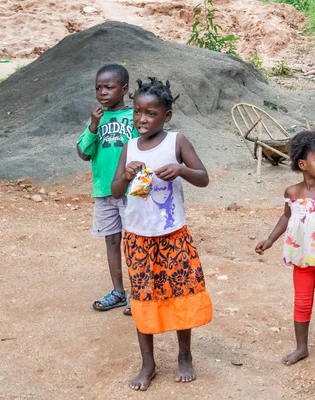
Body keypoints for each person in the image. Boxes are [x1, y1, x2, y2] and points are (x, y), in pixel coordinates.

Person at [112, 77, 212, 391]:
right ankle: (148, 363)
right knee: (143, 298)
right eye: (137, 112)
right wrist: (127, 176)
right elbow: (115, 191)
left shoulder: (176, 142)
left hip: (172, 234)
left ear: (166, 116)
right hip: (138, 237)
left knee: (181, 294)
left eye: (151, 113)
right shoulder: (128, 147)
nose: (142, 119)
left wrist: (181, 169)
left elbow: (204, 178)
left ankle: (184, 355)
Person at [255, 130, 315, 369]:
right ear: (303, 164)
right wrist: (270, 240)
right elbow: (286, 217)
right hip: (302, 257)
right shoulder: (292, 193)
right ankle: (301, 347)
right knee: (301, 302)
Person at [77, 64, 138, 315]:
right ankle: (118, 292)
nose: (102, 92)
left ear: (124, 89)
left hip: (131, 192)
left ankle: (139, 293)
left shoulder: (135, 117)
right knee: (112, 240)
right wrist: (93, 125)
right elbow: (83, 152)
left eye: (109, 87)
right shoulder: (98, 118)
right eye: (98, 88)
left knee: (135, 242)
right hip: (103, 192)